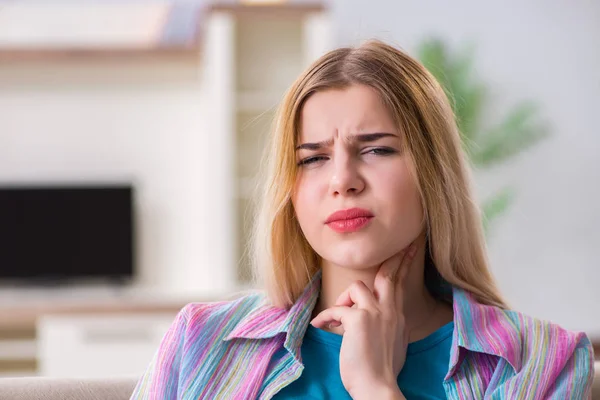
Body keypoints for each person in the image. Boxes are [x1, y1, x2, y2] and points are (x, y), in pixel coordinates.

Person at [130, 40, 594, 399]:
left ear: (434, 173)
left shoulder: (539, 360)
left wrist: (376, 387)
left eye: (376, 149)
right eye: (313, 158)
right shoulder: (201, 340)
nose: (343, 180)